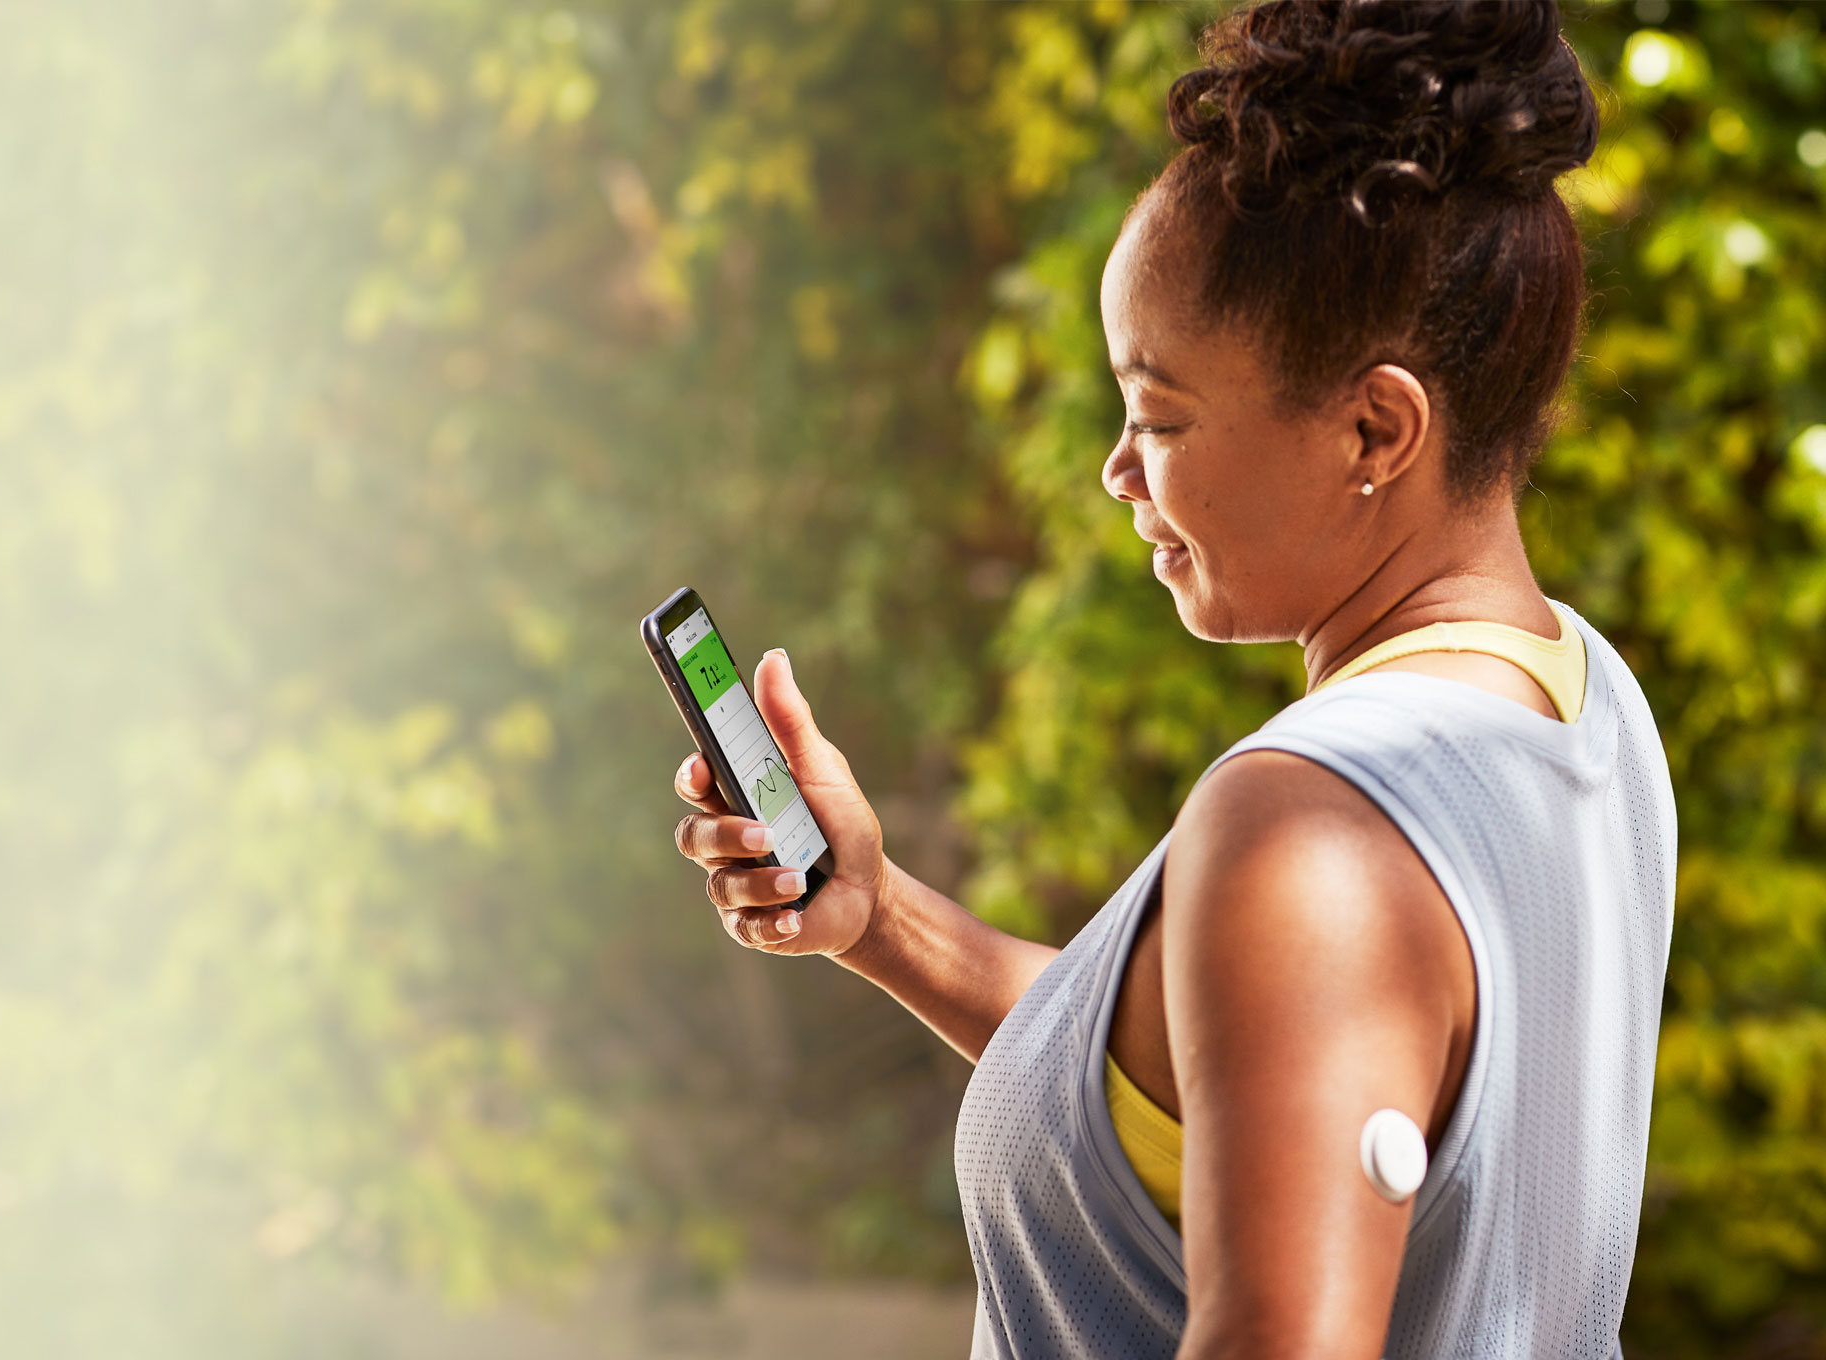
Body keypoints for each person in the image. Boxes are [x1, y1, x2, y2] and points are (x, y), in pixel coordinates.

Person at [665, 2, 1676, 1356]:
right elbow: (1228, 1089)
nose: (1119, 471)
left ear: (1376, 426)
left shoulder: (1312, 828)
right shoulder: (1582, 703)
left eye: (1161, 415)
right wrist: (884, 918)